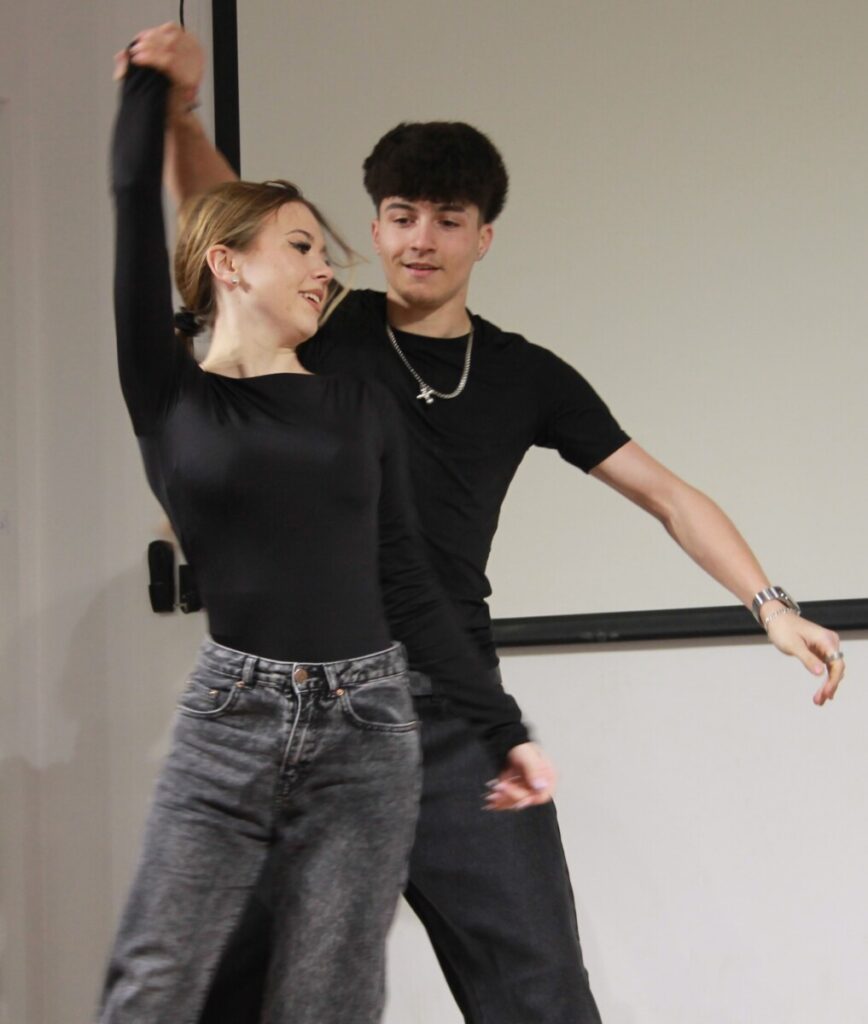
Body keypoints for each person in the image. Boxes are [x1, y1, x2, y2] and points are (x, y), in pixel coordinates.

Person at [118, 25, 846, 1024]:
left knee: (541, 994)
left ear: (482, 238)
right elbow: (226, 214)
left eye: (448, 220)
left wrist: (769, 604)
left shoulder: (525, 375)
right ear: (374, 230)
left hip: (451, 718)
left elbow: (668, 494)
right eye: (400, 216)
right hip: (308, 713)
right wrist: (179, 109)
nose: (421, 239)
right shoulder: (324, 325)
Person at [102, 54, 550, 1024]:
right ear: (229, 263)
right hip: (233, 716)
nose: (326, 267)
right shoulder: (171, 394)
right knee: (155, 982)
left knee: (330, 997)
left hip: (369, 721)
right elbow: (136, 200)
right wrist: (151, 88)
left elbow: (406, 579)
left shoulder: (356, 404)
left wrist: (502, 730)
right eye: (303, 246)